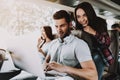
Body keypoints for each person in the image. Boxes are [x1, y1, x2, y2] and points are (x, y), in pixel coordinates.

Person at [44, 10, 98, 80]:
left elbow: (93, 76)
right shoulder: (53, 43)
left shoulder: (79, 44)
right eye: (56, 26)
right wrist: (44, 66)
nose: (59, 30)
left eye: (62, 26)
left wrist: (64, 68)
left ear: (70, 24)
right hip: (48, 76)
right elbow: (46, 61)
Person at [74, 2, 114, 80]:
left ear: (89, 13)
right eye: (78, 16)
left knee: (96, 56)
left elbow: (107, 42)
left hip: (99, 55)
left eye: (84, 15)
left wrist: (94, 32)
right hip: (85, 56)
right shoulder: (78, 28)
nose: (82, 19)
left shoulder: (100, 23)